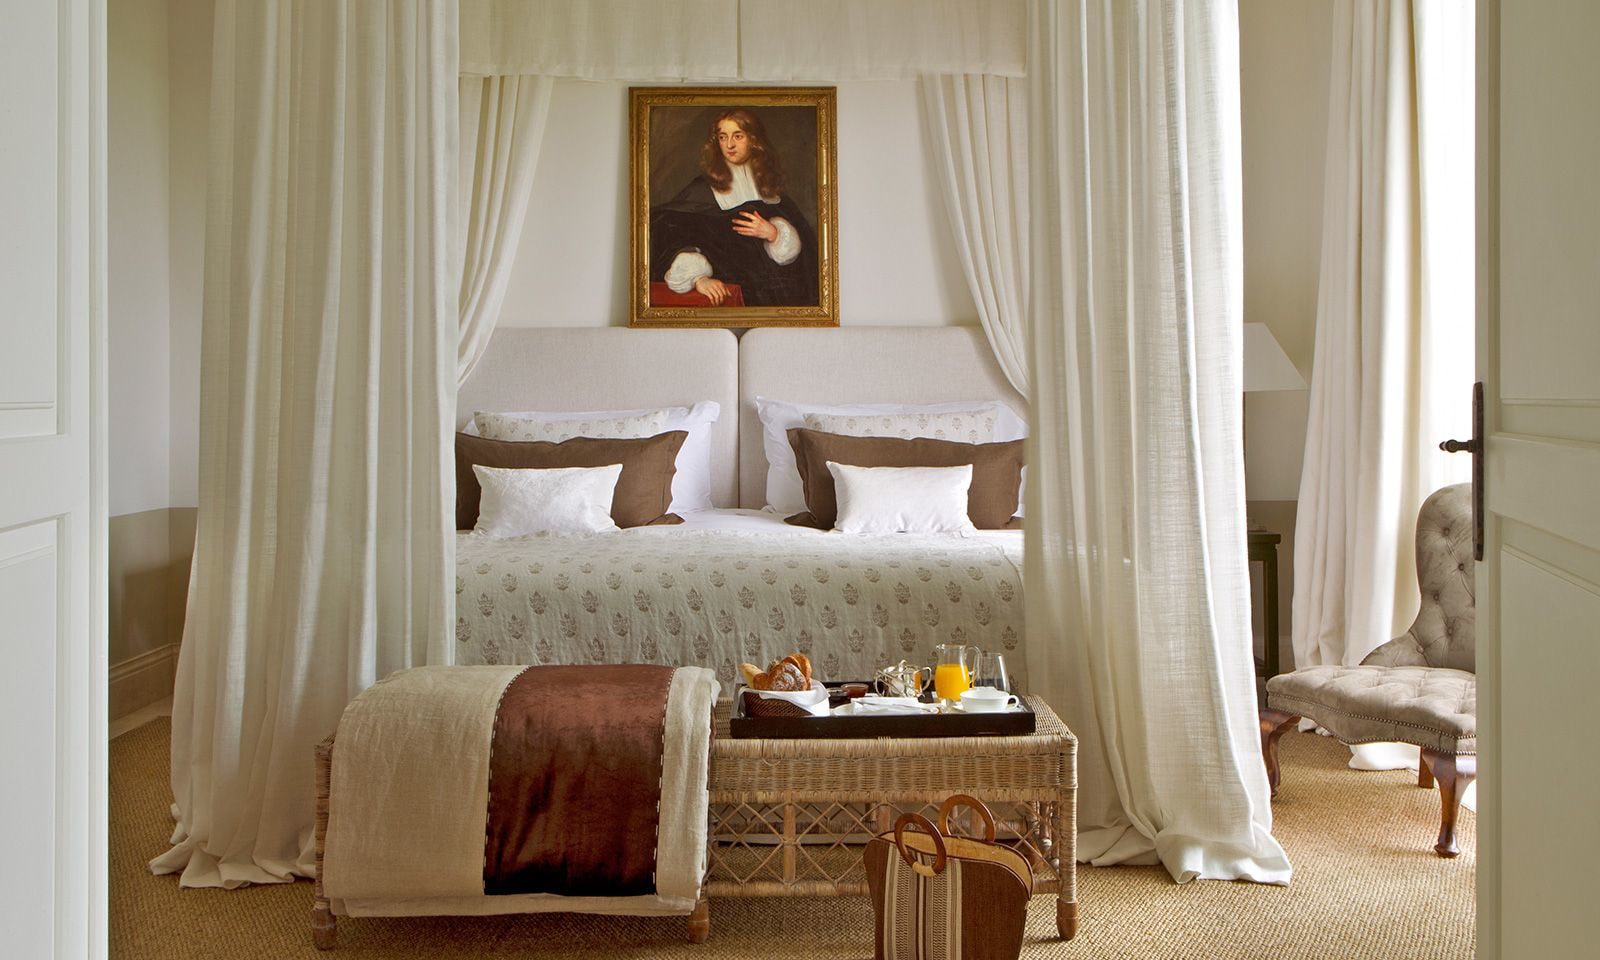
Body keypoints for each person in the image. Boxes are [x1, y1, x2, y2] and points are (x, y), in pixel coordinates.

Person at [650, 108, 819, 307]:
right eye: (723, 137)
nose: (729, 145)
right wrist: (698, 278)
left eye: (737, 136)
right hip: (730, 296)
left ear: (754, 140)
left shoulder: (771, 190)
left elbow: (807, 258)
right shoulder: (701, 190)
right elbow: (672, 239)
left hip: (772, 299)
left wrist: (774, 233)